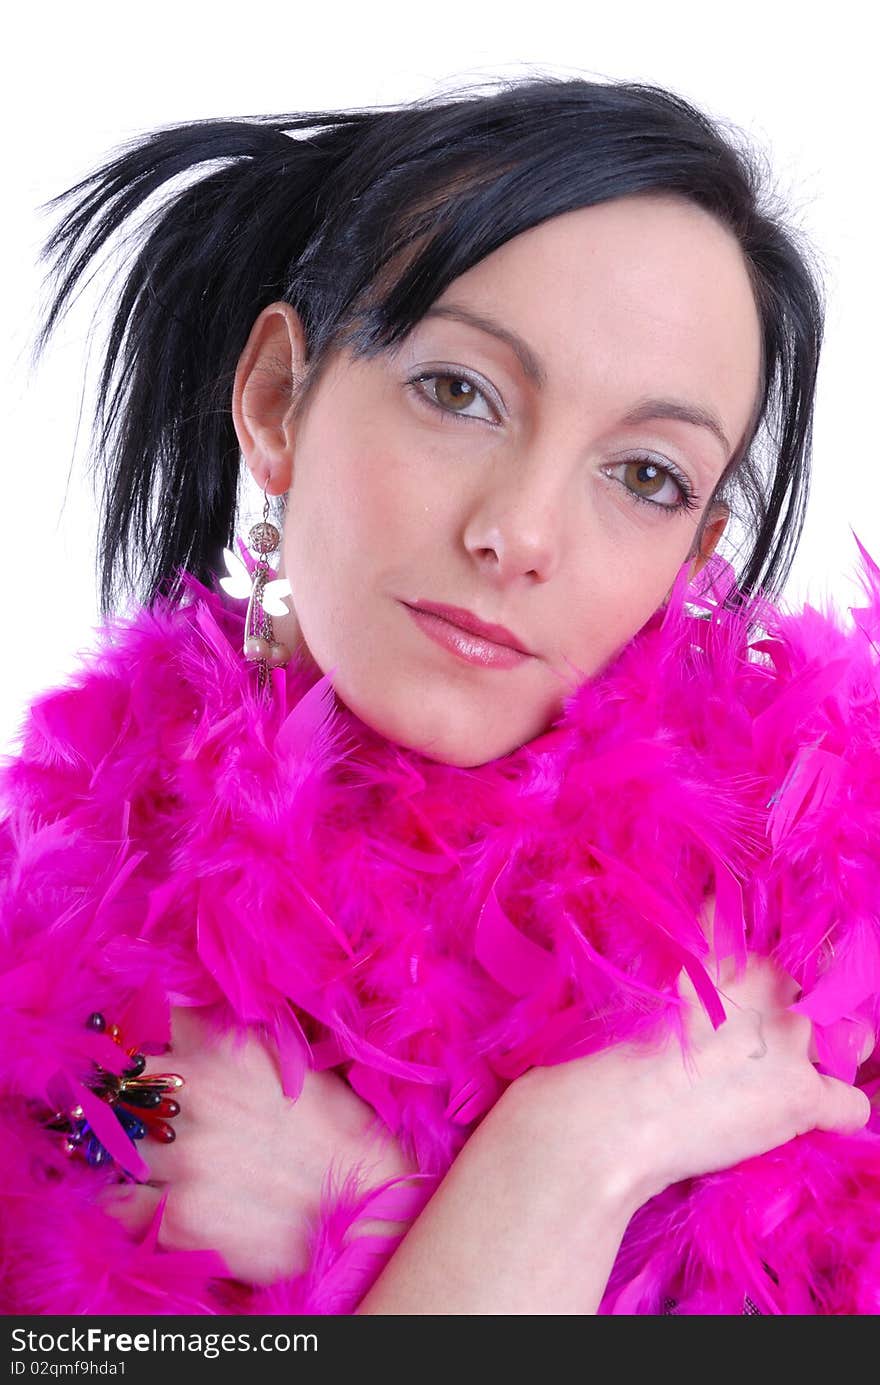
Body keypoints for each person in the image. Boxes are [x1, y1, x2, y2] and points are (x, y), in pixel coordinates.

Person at [2, 72, 879, 1317]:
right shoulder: (66, 913)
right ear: (274, 401)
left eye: (643, 472)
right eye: (457, 392)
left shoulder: (825, 922)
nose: (519, 534)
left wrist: (440, 1195)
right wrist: (549, 1173)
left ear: (690, 560)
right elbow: (81, 1116)